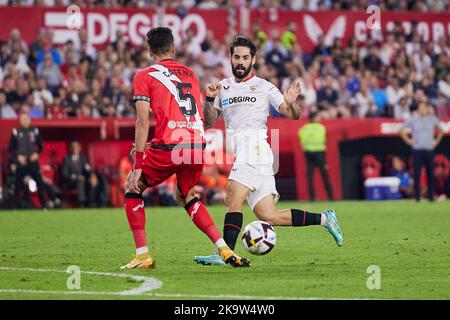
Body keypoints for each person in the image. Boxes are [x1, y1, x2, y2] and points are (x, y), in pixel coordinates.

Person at [194, 36, 343, 266]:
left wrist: (291, 102)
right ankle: (325, 219)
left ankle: (226, 253)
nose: (240, 62)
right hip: (252, 154)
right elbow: (209, 120)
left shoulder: (264, 87)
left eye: (245, 57)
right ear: (231, 59)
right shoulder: (223, 87)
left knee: (232, 196)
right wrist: (210, 98)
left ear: (253, 59)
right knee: (269, 215)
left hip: (255, 149)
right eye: (236, 57)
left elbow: (291, 114)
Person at [121, 27, 249, 269]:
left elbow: (142, 121)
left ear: (149, 51)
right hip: (196, 143)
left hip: (171, 143)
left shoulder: (144, 75)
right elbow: (198, 118)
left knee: (132, 185)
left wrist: (138, 163)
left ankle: (142, 254)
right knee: (185, 194)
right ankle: (224, 249)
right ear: (173, 48)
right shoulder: (190, 74)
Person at [400, 101, 444, 201]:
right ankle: (417, 197)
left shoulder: (432, 119)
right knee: (417, 173)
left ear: (427, 108)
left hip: (429, 149)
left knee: (430, 173)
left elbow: (441, 131)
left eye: (424, 107)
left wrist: (436, 142)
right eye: (421, 107)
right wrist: (408, 141)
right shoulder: (413, 119)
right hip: (417, 150)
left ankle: (431, 196)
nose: (423, 109)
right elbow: (401, 130)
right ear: (418, 109)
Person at [8, 112, 48, 209]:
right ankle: (15, 207)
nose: (24, 120)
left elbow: (41, 147)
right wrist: (18, 156)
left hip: (33, 161)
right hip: (21, 162)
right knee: (17, 184)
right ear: (20, 121)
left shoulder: (35, 131)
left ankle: (44, 206)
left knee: (39, 183)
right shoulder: (16, 132)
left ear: (29, 120)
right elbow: (11, 148)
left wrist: (36, 154)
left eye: (26, 118)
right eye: (22, 119)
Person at [298, 111, 334, 201]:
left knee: (310, 177)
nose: (319, 119)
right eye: (318, 117)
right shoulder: (321, 127)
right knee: (325, 176)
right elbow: (323, 139)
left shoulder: (303, 129)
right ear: (314, 118)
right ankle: (330, 197)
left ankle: (312, 197)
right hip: (320, 154)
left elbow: (301, 140)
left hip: (308, 154)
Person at [61, 141, 93, 207]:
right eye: (73, 147)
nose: (75, 148)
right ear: (71, 148)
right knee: (81, 181)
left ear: (79, 148)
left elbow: (88, 169)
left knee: (94, 180)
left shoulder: (83, 159)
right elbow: (65, 173)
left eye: (76, 147)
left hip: (83, 179)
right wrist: (76, 177)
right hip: (71, 182)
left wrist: (92, 175)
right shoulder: (67, 159)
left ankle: (95, 201)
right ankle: (82, 202)